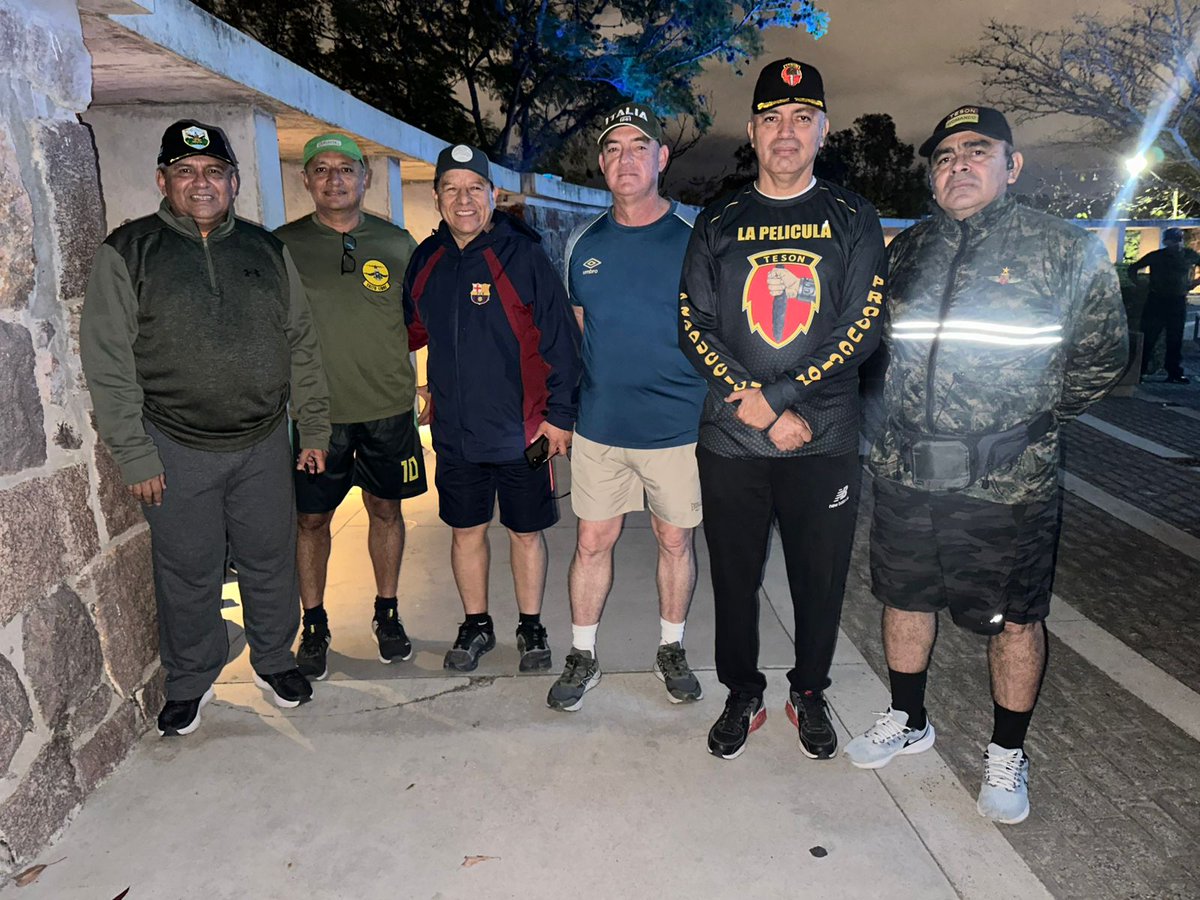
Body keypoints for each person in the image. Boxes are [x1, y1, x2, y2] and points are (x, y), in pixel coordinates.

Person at [855, 106, 1128, 825]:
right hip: (907, 471)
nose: (958, 166)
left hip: (1008, 483)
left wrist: (1029, 425)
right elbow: (880, 353)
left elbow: (1103, 357)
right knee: (903, 599)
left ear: (1012, 166)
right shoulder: (908, 251)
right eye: (944, 158)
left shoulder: (1062, 248)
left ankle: (1007, 751)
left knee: (1014, 622)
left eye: (977, 152)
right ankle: (908, 717)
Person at [80, 119, 331, 736]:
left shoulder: (266, 250)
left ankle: (275, 659)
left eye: (214, 171)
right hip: (175, 443)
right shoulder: (128, 251)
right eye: (185, 171)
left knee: (269, 557)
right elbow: (108, 360)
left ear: (233, 182)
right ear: (162, 180)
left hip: (263, 440)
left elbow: (301, 342)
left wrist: (314, 429)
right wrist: (135, 454)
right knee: (187, 568)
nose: (201, 183)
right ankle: (191, 679)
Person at [678, 60, 887, 760]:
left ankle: (809, 690)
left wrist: (783, 397)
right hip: (733, 439)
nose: (786, 131)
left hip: (823, 437)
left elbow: (861, 327)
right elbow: (693, 325)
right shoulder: (719, 219)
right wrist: (763, 409)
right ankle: (742, 692)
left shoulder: (854, 217)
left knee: (817, 582)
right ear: (752, 131)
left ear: (824, 129)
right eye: (772, 118)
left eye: (802, 118)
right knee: (735, 580)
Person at [546, 102, 709, 712]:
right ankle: (583, 654)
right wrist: (567, 412)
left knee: (675, 541)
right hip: (601, 426)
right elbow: (578, 333)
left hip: (676, 426)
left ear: (661, 157)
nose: (626, 159)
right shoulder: (582, 242)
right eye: (613, 148)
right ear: (601, 163)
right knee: (592, 541)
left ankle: (671, 647)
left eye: (639, 146)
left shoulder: (694, 239)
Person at [403, 144, 580, 673]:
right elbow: (412, 331)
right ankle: (475, 624)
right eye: (452, 189)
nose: (464, 200)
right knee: (466, 530)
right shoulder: (426, 260)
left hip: (525, 434)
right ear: (436, 196)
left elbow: (562, 342)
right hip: (456, 434)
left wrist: (560, 417)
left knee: (526, 532)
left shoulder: (523, 256)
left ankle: (531, 627)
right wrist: (426, 387)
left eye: (474, 188)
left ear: (493, 194)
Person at [275, 133, 427, 681]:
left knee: (387, 510)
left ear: (364, 177)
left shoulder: (397, 243)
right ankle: (314, 624)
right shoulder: (282, 246)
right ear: (306, 179)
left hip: (387, 407)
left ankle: (387, 612)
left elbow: (422, 320)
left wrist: (427, 384)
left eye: (346, 169)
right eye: (322, 169)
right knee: (311, 519)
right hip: (316, 416)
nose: (334, 179)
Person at [1129, 226, 1199, 384]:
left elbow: (1133, 269)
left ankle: (1174, 372)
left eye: (1178, 240)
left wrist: (1194, 283)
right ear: (1166, 242)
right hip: (1157, 299)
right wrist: (1139, 284)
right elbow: (1133, 269)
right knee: (1149, 337)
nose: (1176, 244)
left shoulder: (1188, 255)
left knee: (1175, 338)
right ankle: (1139, 371)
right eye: (1172, 241)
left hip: (1177, 300)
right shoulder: (1157, 256)